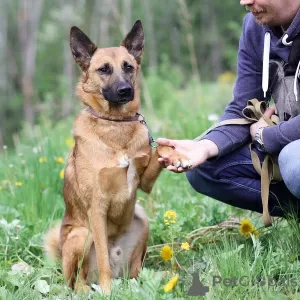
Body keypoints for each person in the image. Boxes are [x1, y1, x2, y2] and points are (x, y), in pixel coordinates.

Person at [157, 0, 300, 220]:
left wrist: (266, 135)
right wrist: (205, 147)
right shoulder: (255, 27)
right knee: (204, 167)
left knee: (294, 162)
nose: (245, 2)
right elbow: (243, 106)